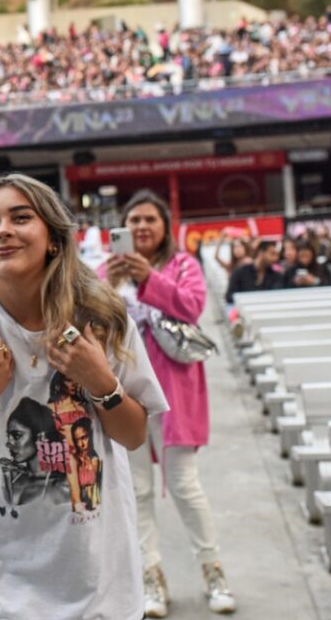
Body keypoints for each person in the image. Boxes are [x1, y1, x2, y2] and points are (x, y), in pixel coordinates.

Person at [0, 172, 167, 620]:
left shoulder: (103, 318)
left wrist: (99, 382)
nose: (3, 231)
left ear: (53, 238)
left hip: (94, 570)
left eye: (20, 217)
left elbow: (133, 436)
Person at [102, 190, 237, 617]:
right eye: (134, 220)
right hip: (125, 395)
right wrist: (112, 284)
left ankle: (213, 571)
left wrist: (148, 279)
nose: (142, 227)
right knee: (137, 491)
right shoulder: (106, 271)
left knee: (184, 485)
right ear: (123, 228)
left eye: (150, 220)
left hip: (176, 393)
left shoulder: (184, 266)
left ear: (165, 227)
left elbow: (193, 307)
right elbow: (83, 314)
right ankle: (151, 579)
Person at [224, 240, 283, 305]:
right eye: (272, 254)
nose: (275, 258)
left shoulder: (276, 275)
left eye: (277, 255)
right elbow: (229, 297)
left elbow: (277, 296)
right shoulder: (240, 272)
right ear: (261, 253)